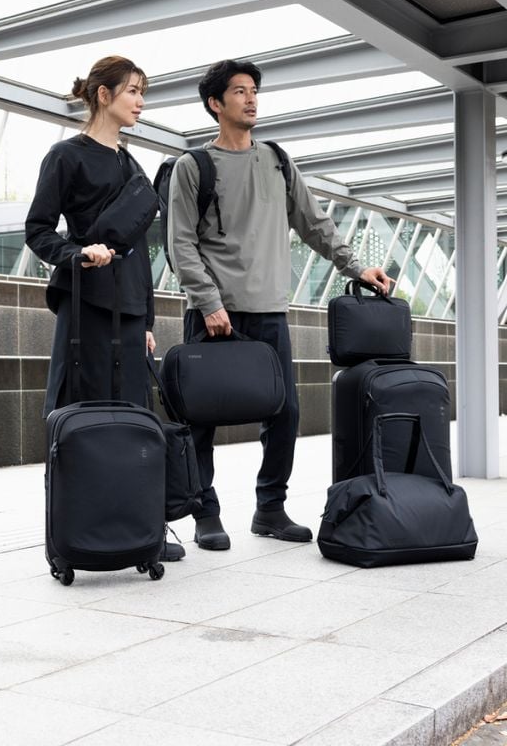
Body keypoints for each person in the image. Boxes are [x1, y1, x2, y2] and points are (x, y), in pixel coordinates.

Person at [167, 58, 392, 551]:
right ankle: (205, 511)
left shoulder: (276, 160)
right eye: (240, 91)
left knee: (285, 412)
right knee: (200, 414)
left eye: (254, 91)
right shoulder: (193, 167)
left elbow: (314, 224)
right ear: (215, 104)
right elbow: (181, 243)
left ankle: (269, 507)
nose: (251, 99)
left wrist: (358, 267)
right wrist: (207, 302)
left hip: (269, 311)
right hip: (214, 314)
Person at [25, 55, 184, 562]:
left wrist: (148, 322)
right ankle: (76, 530)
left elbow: (141, 252)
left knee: (135, 419)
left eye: (143, 92)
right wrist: (77, 253)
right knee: (83, 413)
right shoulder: (66, 156)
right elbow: (38, 231)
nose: (141, 102)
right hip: (86, 307)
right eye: (133, 91)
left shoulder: (130, 164)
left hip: (129, 309)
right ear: (103, 95)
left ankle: (139, 528)